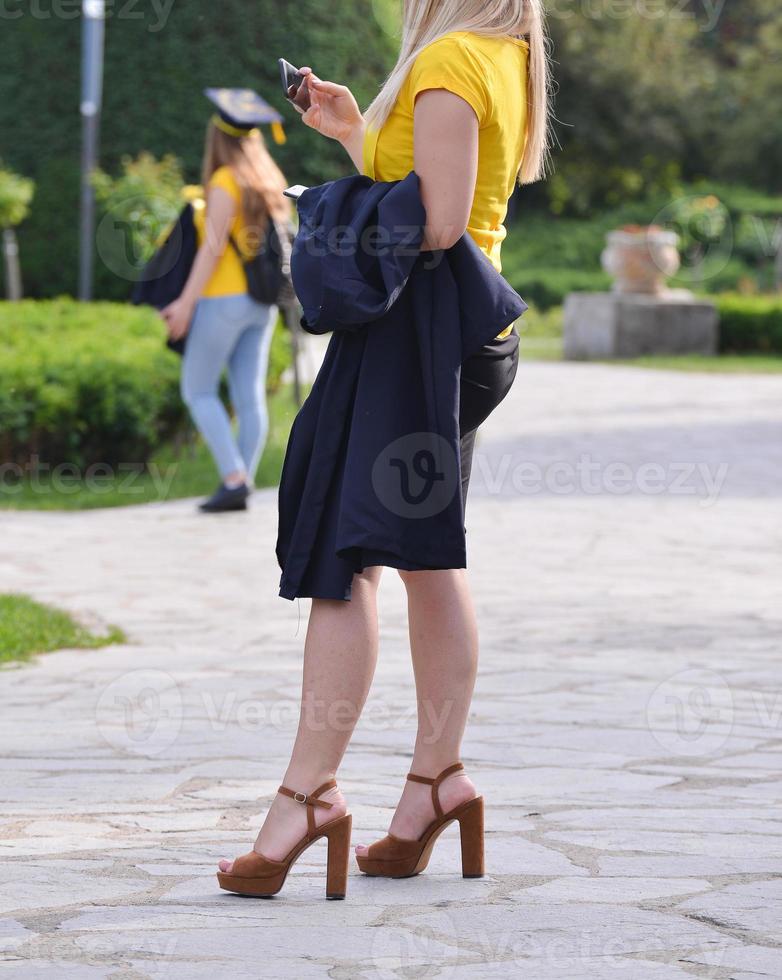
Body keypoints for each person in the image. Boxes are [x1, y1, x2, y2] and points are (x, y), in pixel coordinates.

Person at [217, 0, 551, 896]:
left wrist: (323, 205)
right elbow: (447, 193)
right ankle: (435, 783)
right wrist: (358, 132)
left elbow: (436, 224)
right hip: (458, 338)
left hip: (416, 341)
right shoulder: (503, 54)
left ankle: (308, 796)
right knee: (425, 561)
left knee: (343, 554)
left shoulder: (449, 62)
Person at [163, 89, 291, 513]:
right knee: (249, 393)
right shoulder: (270, 178)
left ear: (216, 138)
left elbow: (213, 247)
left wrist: (184, 303)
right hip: (262, 302)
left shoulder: (223, 182)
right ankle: (242, 479)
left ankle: (234, 478)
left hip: (223, 300)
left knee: (197, 389)